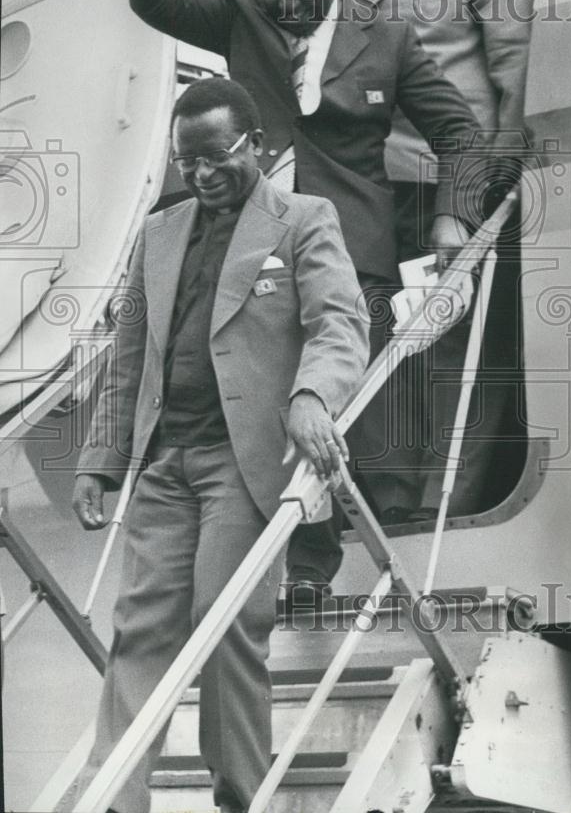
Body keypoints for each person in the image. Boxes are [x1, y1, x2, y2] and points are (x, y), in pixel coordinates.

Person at [122, 0, 495, 593]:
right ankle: (309, 561)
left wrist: (453, 222)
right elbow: (156, 0)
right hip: (254, 241)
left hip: (351, 238)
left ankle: (381, 529)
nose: (287, 5)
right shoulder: (241, 13)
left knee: (356, 379)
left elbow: (459, 131)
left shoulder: (384, 37)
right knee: (271, 391)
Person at [70, 78, 368, 813]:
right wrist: (100, 460)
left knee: (228, 619)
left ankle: (241, 798)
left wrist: (310, 396)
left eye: (216, 156)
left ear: (255, 144)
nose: (201, 175)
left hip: (245, 463)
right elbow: (129, 356)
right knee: (141, 629)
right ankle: (116, 801)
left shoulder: (304, 219)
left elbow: (339, 324)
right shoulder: (158, 234)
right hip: (167, 463)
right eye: (186, 162)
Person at [333, 0, 532, 518]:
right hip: (383, 194)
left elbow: (516, 54)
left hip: (461, 184)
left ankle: (447, 500)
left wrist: (501, 167)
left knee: (464, 343)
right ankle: (396, 501)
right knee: (392, 343)